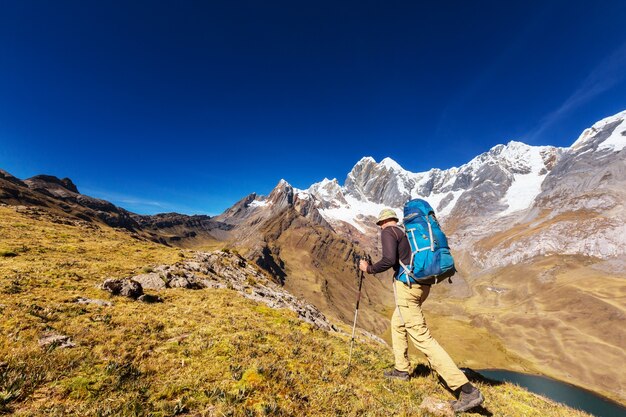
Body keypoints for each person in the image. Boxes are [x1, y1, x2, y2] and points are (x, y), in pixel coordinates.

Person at [359, 208, 484, 413]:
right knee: (398, 323)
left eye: (380, 224)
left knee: (421, 336)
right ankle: (402, 369)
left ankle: (467, 390)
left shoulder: (388, 232)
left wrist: (369, 268)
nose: (380, 226)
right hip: (421, 286)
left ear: (383, 222)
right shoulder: (405, 232)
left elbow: (389, 260)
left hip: (407, 288)